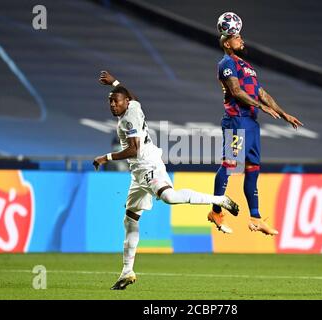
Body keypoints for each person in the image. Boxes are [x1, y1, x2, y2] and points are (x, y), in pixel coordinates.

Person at [94, 71, 239, 290]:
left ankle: (221, 200)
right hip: (137, 174)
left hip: (148, 165)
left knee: (170, 197)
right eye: (110, 101)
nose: (112, 105)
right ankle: (127, 272)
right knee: (130, 219)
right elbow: (129, 96)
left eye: (116, 101)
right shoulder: (133, 105)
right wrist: (114, 83)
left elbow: (134, 149)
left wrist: (107, 157)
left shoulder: (129, 119)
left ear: (125, 103)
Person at [208, 33, 303, 236]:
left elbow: (261, 93)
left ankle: (256, 218)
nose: (242, 40)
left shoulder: (246, 66)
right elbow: (235, 91)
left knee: (252, 169)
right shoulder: (226, 63)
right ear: (227, 43)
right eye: (237, 38)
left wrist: (282, 113)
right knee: (231, 165)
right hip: (237, 120)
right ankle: (215, 210)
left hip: (251, 123)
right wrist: (261, 106)